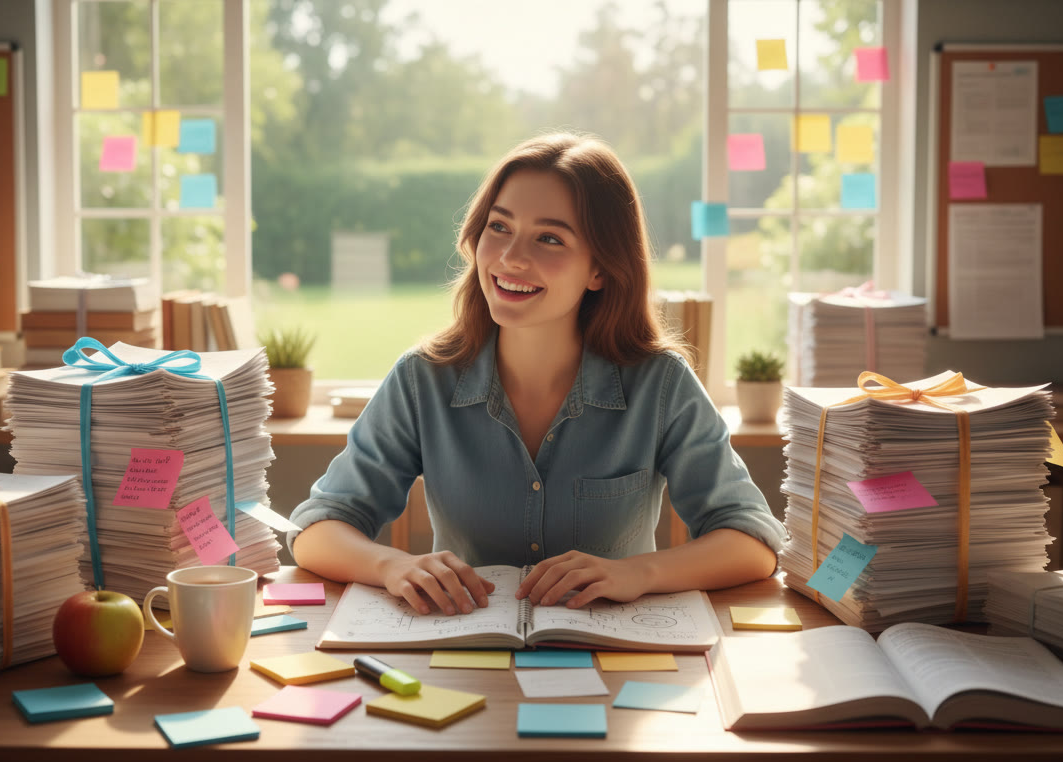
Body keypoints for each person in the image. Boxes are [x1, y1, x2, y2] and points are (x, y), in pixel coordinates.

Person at [289, 132, 785, 617]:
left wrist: (639, 573)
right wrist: (391, 565)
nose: (510, 258)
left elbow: (753, 539)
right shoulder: (423, 379)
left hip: (615, 670)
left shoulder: (661, 384)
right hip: (463, 661)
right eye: (499, 227)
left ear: (600, 270)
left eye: (549, 238)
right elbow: (315, 530)